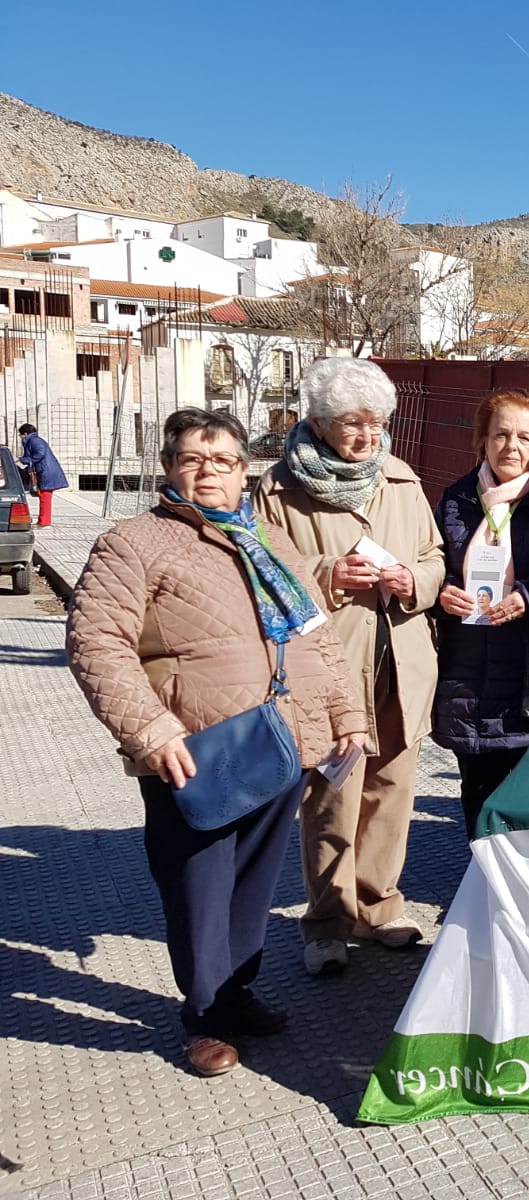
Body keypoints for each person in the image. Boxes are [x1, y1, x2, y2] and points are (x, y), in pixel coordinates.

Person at [66, 408, 365, 1077]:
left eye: (224, 460)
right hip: (195, 750)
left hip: (281, 739)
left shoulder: (270, 541)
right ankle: (203, 1016)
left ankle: (235, 993)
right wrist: (149, 728)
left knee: (253, 882)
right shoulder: (132, 543)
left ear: (243, 471)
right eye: (193, 459)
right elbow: (95, 642)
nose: (209, 471)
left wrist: (347, 714)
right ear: (169, 467)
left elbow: (317, 637)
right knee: (198, 883)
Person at [253, 358, 445, 977]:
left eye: (376, 422)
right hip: (329, 667)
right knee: (332, 795)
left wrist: (415, 579)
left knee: (392, 789)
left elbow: (434, 555)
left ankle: (379, 906)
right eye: (352, 423)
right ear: (317, 422)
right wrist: (328, 574)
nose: (367, 435)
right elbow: (260, 571)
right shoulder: (279, 488)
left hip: (401, 657)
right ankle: (327, 923)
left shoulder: (400, 478)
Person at [432, 389, 529, 837]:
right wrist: (444, 591)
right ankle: (479, 876)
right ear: (482, 439)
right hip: (467, 672)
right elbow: (432, 562)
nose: (511, 446)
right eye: (500, 435)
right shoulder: (456, 499)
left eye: (524, 437)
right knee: (476, 793)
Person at [17, 423, 67, 527]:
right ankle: (42, 521)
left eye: (20, 435)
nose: (20, 437)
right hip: (44, 470)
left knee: (45, 496)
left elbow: (40, 454)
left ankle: (45, 523)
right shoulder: (33, 440)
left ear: (25, 434)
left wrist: (23, 460)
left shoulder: (35, 441)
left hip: (46, 471)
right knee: (43, 496)